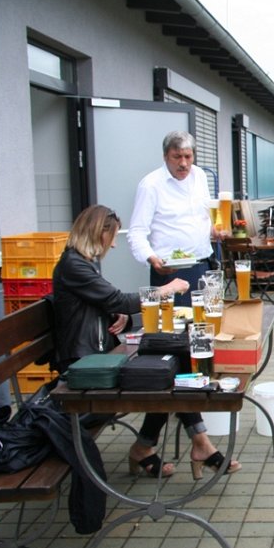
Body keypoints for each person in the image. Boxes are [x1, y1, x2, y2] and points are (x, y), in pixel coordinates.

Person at [53, 205, 241, 479]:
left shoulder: (79, 263)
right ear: (99, 232)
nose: (113, 245)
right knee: (162, 376)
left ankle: (175, 445)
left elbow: (102, 303)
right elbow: (117, 299)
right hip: (84, 365)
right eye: (113, 237)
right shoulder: (74, 265)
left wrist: (120, 316)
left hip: (95, 353)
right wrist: (165, 289)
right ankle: (187, 445)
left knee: (169, 368)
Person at [128, 131, 228, 305]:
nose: (183, 163)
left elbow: (206, 210)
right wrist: (151, 258)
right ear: (165, 156)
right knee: (176, 321)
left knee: (211, 317)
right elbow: (136, 232)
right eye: (177, 157)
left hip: (205, 264)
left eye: (188, 157)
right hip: (170, 271)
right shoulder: (150, 185)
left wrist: (215, 227)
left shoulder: (200, 175)